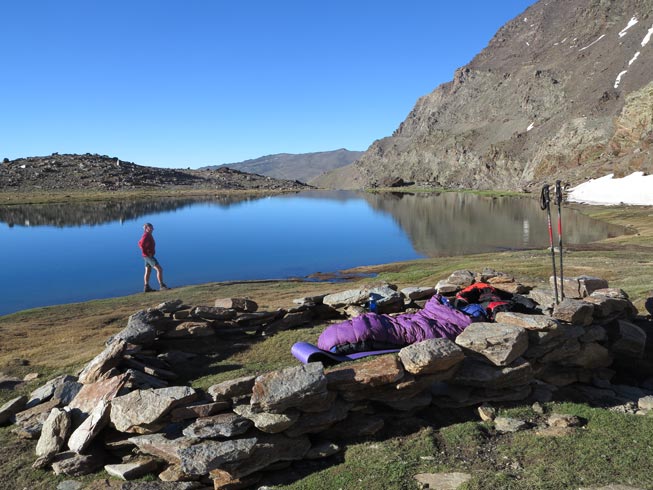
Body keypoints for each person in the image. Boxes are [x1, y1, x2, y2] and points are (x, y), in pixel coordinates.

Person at [138, 223, 169, 292]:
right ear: (146, 229)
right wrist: (146, 253)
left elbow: (139, 243)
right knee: (159, 269)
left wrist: (145, 253)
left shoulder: (148, 235)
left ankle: (146, 287)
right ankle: (162, 286)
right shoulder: (146, 235)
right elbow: (141, 244)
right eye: (150, 228)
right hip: (148, 256)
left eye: (152, 227)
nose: (152, 229)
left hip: (146, 256)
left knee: (148, 271)